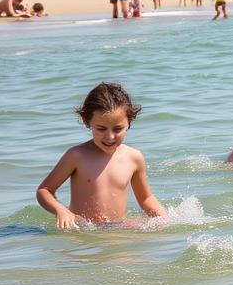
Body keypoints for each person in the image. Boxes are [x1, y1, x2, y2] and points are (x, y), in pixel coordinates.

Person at [36, 82, 167, 229]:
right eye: (101, 129)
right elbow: (45, 190)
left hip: (118, 229)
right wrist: (61, 210)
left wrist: (163, 219)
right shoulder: (77, 156)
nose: (110, 137)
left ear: (128, 123)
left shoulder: (134, 158)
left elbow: (146, 198)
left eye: (117, 129)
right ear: (87, 122)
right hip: (84, 231)